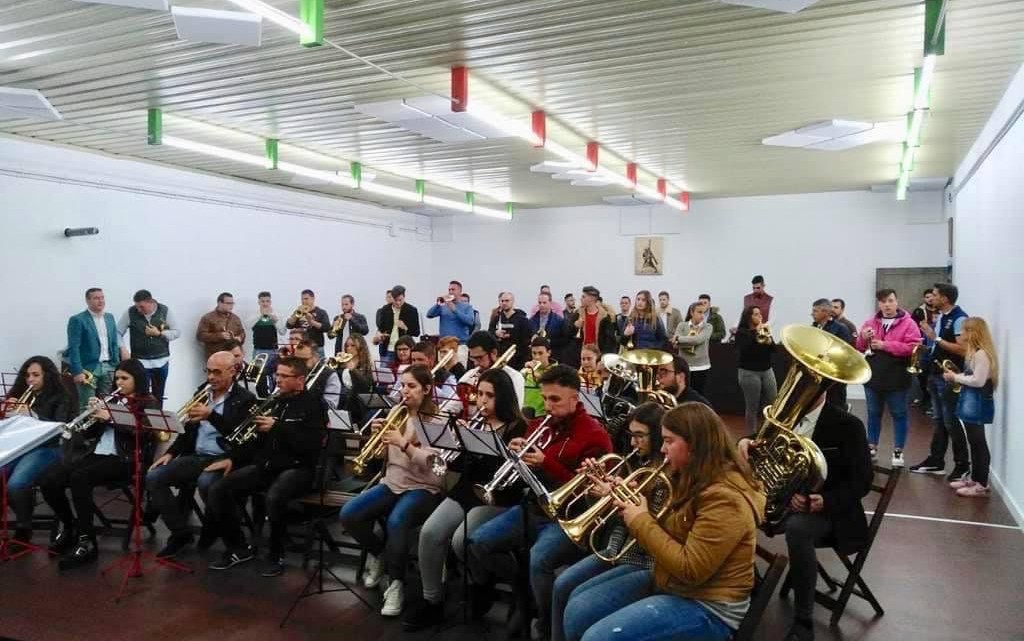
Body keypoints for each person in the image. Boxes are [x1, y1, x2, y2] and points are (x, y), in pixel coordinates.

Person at [565, 403, 766, 641]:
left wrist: (640, 519)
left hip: (709, 606)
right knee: (577, 611)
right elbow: (672, 527)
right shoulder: (693, 474)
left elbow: (691, 569)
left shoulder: (726, 498)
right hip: (672, 582)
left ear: (695, 444)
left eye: (669, 441)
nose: (662, 448)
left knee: (597, 638)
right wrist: (622, 494)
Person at [467, 365, 613, 638]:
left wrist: (547, 464)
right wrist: (515, 457)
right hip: (533, 508)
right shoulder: (538, 425)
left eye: (555, 399)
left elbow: (588, 492)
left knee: (539, 560)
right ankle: (525, 593)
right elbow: (524, 477)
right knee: (479, 543)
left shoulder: (594, 435)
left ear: (575, 398)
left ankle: (544, 622)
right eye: (545, 398)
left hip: (568, 517)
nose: (547, 406)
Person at [738, 393, 872, 641]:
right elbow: (756, 439)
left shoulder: (848, 425)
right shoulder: (783, 417)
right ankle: (749, 583)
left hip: (831, 514)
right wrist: (744, 442)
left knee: (798, 528)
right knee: (733, 508)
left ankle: (803, 620)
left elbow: (862, 481)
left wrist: (825, 501)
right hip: (781, 502)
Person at [402, 368, 529, 630]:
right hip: (466, 491)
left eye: (489, 395)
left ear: (503, 398)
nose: (481, 400)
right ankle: (432, 601)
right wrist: (457, 441)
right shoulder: (476, 422)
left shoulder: (519, 427)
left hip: (497, 498)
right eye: (479, 393)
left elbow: (515, 475)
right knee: (430, 533)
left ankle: (482, 582)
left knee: (462, 540)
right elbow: (458, 466)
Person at [550, 401, 667, 641]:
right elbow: (608, 522)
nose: (633, 443)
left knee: (578, 604)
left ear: (657, 437)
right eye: (631, 435)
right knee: (562, 585)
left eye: (640, 436)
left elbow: (650, 535)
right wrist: (597, 487)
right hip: (615, 548)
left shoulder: (662, 476)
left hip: (642, 560)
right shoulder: (636, 462)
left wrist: (616, 500)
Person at [339, 364, 446, 616]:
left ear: (427, 389)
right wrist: (377, 440)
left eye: (411, 386)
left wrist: (403, 443)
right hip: (392, 482)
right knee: (349, 514)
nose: (404, 391)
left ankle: (396, 584)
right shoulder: (395, 414)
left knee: (397, 522)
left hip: (423, 487)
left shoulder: (437, 421)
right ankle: (380, 555)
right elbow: (383, 459)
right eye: (403, 385)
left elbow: (436, 467)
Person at [206, 356, 325, 577]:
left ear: (300, 379)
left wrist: (277, 427)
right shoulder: (275, 401)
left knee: (274, 497)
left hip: (300, 468)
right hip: (268, 466)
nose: (277, 380)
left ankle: (276, 555)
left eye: (283, 376)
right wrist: (236, 454)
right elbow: (254, 441)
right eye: (276, 375)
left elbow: (311, 446)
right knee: (218, 489)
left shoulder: (314, 404)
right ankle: (238, 547)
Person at [38, 359, 157, 570]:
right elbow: (88, 434)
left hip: (125, 459)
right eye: (117, 378)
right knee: (49, 479)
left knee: (79, 478)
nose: (119, 382)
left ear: (137, 379)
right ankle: (70, 526)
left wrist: (111, 418)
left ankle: (87, 542)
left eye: (124, 378)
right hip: (98, 454)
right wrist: (93, 416)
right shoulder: (111, 400)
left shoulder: (148, 402)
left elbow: (146, 434)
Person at [146, 351, 257, 558]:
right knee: (154, 477)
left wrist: (211, 416)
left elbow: (240, 436)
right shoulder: (203, 392)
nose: (211, 377)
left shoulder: (245, 399)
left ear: (232, 371)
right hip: (197, 455)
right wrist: (171, 452)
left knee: (208, 484)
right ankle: (180, 533)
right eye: (208, 371)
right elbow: (188, 429)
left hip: (225, 457)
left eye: (217, 372)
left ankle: (225, 536)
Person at [0, 356, 76, 542]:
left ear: (47, 376)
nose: (30, 380)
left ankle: (23, 527)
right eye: (27, 375)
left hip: (48, 448)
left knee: (16, 484)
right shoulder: (22, 393)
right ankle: (23, 507)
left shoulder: (61, 397)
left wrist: (32, 414)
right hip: (21, 447)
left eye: (35, 375)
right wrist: (5, 411)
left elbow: (60, 427)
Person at [855, 289, 922, 467]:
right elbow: (860, 347)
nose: (887, 305)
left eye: (890, 301)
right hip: (873, 375)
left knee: (899, 414)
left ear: (897, 301)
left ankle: (898, 450)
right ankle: (872, 447)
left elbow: (914, 347)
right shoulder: (870, 322)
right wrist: (863, 338)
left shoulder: (909, 323)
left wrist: (886, 345)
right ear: (879, 304)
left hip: (897, 375)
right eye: (883, 301)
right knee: (873, 413)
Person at [910, 283, 970, 480]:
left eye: (934, 295)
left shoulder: (959, 319)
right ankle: (936, 460)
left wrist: (934, 338)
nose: (931, 298)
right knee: (939, 420)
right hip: (935, 374)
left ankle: (962, 465)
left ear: (944, 298)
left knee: (951, 421)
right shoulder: (942, 317)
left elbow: (963, 350)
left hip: (949, 377)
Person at [945, 317, 999, 498]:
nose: (962, 335)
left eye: (966, 331)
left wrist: (955, 378)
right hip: (972, 399)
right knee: (974, 442)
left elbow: (978, 380)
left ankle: (981, 483)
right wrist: (958, 375)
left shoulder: (981, 354)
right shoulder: (975, 353)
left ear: (975, 333)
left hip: (977, 401)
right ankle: (976, 479)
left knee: (978, 442)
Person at [117, 289, 180, 408]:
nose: (139, 310)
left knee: (158, 396)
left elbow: (177, 332)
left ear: (151, 302)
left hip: (161, 361)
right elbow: (117, 332)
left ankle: (156, 423)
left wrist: (160, 334)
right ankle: (139, 422)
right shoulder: (130, 312)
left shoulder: (165, 311)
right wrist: (122, 348)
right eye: (137, 307)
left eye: (142, 307)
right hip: (140, 362)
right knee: (140, 396)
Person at [65, 287, 120, 410]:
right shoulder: (78, 320)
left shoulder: (110, 317)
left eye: (102, 297)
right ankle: (85, 430)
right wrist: (78, 371)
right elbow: (74, 347)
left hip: (108, 366)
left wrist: (116, 364)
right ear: (88, 301)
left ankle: (104, 429)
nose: (100, 301)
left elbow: (114, 342)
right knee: (87, 406)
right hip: (88, 369)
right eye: (96, 298)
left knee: (107, 405)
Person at [735, 306, 777, 436]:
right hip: (749, 372)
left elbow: (774, 350)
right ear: (748, 317)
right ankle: (751, 435)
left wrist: (769, 340)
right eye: (756, 314)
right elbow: (743, 348)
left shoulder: (764, 329)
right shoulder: (742, 332)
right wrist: (755, 333)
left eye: (760, 314)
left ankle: (768, 433)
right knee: (752, 406)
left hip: (767, 370)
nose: (760, 317)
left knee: (772, 402)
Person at [458, 331, 526, 409]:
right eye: (473, 358)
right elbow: (453, 405)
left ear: (494, 353)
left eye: (479, 358)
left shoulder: (514, 377)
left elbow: (515, 410)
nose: (475, 363)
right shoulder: (470, 375)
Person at [810, 298, 852, 409]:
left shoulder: (841, 329)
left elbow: (845, 354)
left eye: (815, 311)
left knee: (835, 408)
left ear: (824, 312)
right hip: (818, 376)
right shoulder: (814, 327)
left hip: (834, 380)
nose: (811, 314)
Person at [427, 281, 476, 363]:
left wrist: (455, 310)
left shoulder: (467, 307)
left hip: (460, 345)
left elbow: (470, 321)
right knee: (443, 372)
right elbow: (429, 315)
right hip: (444, 345)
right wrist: (438, 304)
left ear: (460, 291)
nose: (450, 292)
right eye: (449, 290)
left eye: (453, 290)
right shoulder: (443, 306)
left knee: (459, 370)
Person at [374, 285, 420, 365]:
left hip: (404, 350)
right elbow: (381, 328)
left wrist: (405, 327)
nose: (398, 303)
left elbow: (416, 332)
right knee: (385, 374)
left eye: (400, 300)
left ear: (404, 297)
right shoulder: (385, 309)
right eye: (396, 300)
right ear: (392, 298)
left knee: (403, 373)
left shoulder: (411, 310)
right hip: (387, 349)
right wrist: (380, 335)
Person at [674, 302, 713, 394]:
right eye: (699, 312)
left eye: (704, 313)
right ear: (691, 312)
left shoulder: (708, 327)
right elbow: (675, 344)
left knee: (698, 394)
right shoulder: (682, 325)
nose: (702, 315)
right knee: (683, 393)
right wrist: (679, 341)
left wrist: (679, 339)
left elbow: (698, 339)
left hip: (701, 367)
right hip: (684, 367)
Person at [489, 292, 532, 369]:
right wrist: (496, 333)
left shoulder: (522, 320)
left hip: (517, 359)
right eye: (502, 301)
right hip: (500, 357)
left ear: (512, 302)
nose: (504, 303)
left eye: (507, 301)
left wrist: (511, 335)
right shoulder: (496, 319)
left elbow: (526, 339)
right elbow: (489, 333)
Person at [197, 292, 245, 359]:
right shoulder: (208, 318)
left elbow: (242, 332)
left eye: (232, 303)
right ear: (219, 303)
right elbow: (200, 336)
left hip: (234, 357)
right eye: (228, 303)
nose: (231, 306)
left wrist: (240, 338)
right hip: (216, 357)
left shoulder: (235, 318)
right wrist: (220, 336)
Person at [286, 289, 331, 357]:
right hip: (301, 348)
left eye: (306, 299)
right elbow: (288, 325)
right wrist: (294, 316)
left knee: (318, 367)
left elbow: (327, 327)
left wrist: (312, 322)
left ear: (313, 299)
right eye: (302, 299)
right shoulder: (299, 311)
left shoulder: (321, 312)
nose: (304, 301)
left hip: (316, 348)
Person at [522, 336, 557, 418]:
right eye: (534, 353)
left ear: (549, 353)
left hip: (544, 415)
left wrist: (540, 377)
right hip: (525, 414)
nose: (537, 357)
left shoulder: (556, 371)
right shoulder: (528, 370)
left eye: (540, 353)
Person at [249, 291, 286, 363]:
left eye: (267, 301)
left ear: (270, 302)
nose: (265, 303)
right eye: (262, 301)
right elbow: (247, 327)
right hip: (258, 350)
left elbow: (282, 332)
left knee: (273, 372)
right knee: (257, 372)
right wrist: (260, 316)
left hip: (273, 350)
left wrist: (276, 321)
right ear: (259, 302)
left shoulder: (276, 314)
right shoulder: (254, 315)